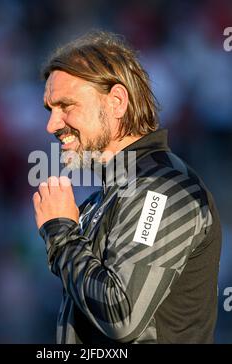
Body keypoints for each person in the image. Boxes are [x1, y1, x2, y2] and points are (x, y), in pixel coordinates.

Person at [33, 31, 222, 344]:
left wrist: (61, 233)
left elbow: (121, 316)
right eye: (49, 109)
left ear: (117, 102)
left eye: (66, 106)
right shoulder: (105, 197)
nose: (52, 125)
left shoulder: (162, 188)